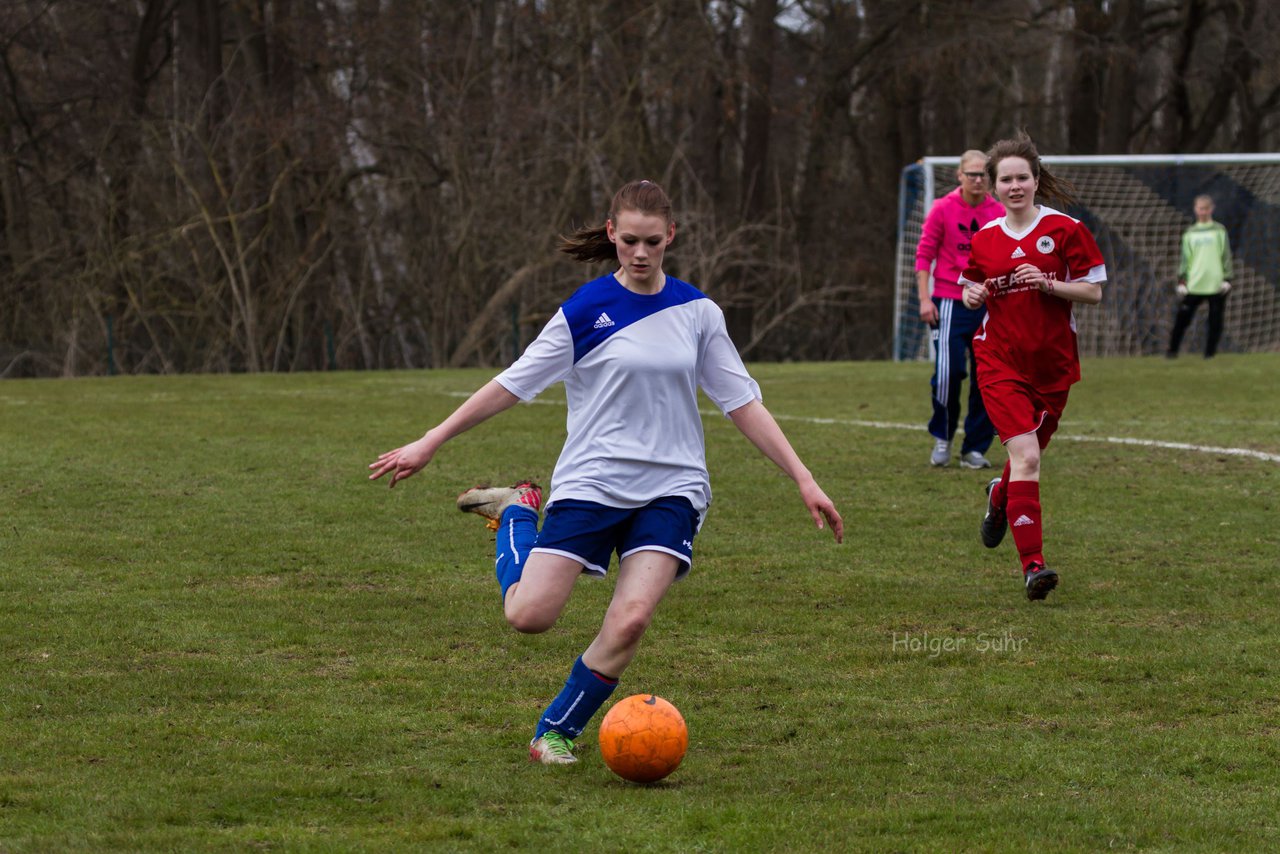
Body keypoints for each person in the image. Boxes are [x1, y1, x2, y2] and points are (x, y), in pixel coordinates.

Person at [367, 180, 844, 764]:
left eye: (652, 242)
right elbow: (512, 384)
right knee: (529, 616)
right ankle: (519, 509)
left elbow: (741, 402)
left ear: (671, 236)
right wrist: (432, 439)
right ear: (612, 234)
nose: (640, 254)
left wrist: (803, 476)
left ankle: (555, 732)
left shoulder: (698, 312)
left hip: (673, 488)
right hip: (592, 482)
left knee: (633, 618)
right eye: (629, 242)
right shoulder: (584, 311)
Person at [959, 134, 1106, 601]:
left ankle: (999, 497)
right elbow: (969, 288)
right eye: (1006, 179)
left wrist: (1048, 283)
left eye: (1023, 177)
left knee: (1024, 461)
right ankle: (1033, 566)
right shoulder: (984, 239)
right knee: (1027, 458)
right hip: (999, 360)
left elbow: (1093, 291)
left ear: (1036, 181)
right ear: (995, 187)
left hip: (1053, 365)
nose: (1015, 185)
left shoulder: (1066, 230)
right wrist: (973, 294)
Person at [914, 150, 1005, 469]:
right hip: (949, 301)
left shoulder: (998, 211)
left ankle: (974, 448)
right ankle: (943, 436)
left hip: (987, 303)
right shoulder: (942, 209)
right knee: (948, 374)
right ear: (959, 176)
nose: (978, 180)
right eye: (972, 174)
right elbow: (924, 256)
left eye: (983, 175)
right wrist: (925, 299)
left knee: (988, 376)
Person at [1167, 194, 1232, 359]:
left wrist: (1227, 278)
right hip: (1194, 283)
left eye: (1205, 208)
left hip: (1215, 283)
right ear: (1195, 209)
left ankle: (1209, 355)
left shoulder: (1219, 230)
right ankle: (1172, 352)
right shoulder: (1190, 233)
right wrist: (1182, 280)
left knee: (1215, 321)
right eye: (1199, 208)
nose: (1202, 211)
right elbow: (1185, 259)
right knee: (1182, 319)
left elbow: (1225, 255)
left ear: (1211, 209)